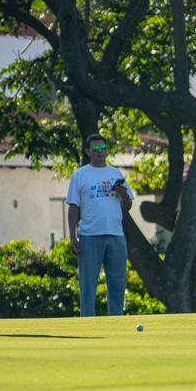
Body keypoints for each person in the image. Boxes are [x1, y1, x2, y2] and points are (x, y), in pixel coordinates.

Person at [67, 133, 132, 316]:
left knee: (117, 285)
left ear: (106, 150)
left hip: (116, 235)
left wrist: (124, 195)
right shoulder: (80, 175)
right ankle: (88, 324)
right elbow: (73, 207)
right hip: (89, 236)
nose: (99, 152)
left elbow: (127, 206)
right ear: (88, 151)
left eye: (102, 148)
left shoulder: (115, 173)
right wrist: (73, 237)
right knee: (88, 287)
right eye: (95, 148)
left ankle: (116, 322)